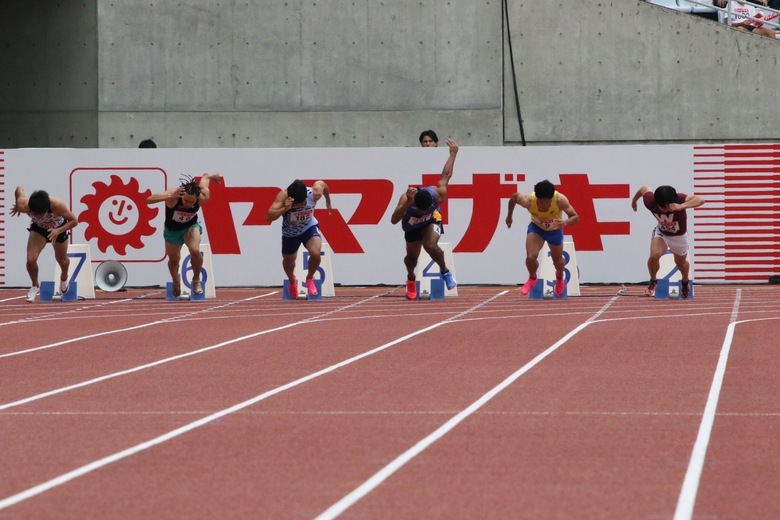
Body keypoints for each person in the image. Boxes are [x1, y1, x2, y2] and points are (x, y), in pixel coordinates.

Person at [390, 139, 459, 300]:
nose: (422, 211)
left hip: (431, 221)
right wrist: (407, 202)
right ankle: (411, 279)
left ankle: (445, 272)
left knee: (430, 245)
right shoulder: (407, 199)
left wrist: (453, 154)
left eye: (425, 209)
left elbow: (446, 175)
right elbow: (394, 220)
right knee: (411, 259)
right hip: (411, 227)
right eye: (420, 210)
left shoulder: (437, 193)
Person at [146, 172, 221, 296]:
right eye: (186, 200)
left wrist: (214, 176)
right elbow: (149, 200)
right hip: (172, 231)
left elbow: (206, 176)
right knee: (174, 260)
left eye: (191, 202)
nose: (187, 204)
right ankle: (176, 281)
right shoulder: (174, 195)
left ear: (197, 198)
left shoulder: (203, 197)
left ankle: (196, 280)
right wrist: (169, 195)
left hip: (190, 227)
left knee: (195, 250)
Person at [505, 180, 580, 298]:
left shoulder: (560, 200)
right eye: (541, 203)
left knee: (558, 261)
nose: (545, 206)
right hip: (537, 229)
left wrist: (565, 222)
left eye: (548, 203)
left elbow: (575, 217)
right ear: (536, 198)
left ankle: (560, 278)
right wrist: (509, 216)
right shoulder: (528, 200)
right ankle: (532, 277)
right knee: (530, 257)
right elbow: (513, 198)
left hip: (554, 231)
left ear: (552, 198)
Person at [631, 185, 705, 299]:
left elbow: (701, 200)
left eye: (669, 206)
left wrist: (682, 206)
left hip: (679, 236)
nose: (668, 209)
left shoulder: (679, 199)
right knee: (654, 255)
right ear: (657, 203)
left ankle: (685, 282)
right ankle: (653, 281)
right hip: (662, 233)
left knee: (681, 263)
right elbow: (643, 189)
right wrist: (634, 201)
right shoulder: (650, 202)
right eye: (664, 208)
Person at [10, 186, 79, 302]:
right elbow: (19, 189)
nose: (38, 217)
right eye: (35, 214)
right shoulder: (24, 205)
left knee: (62, 260)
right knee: (31, 260)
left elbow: (74, 221)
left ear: (47, 209)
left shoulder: (57, 204)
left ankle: (64, 278)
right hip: (39, 229)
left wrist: (58, 231)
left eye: (41, 214)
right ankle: (35, 285)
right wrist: (17, 205)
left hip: (58, 228)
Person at [266, 179, 332, 298]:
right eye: (298, 204)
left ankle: (310, 278)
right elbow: (269, 216)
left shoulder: (314, 193)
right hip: (290, 232)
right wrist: (284, 209)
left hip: (309, 227)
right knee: (288, 260)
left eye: (303, 202)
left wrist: (328, 201)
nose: (301, 205)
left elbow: (323, 184)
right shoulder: (283, 196)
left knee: (316, 253)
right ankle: (292, 281)